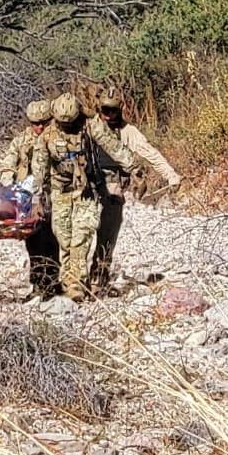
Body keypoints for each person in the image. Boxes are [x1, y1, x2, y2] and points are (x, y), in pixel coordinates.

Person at [30, 93, 137, 301]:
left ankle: (76, 284)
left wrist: (133, 167)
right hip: (61, 191)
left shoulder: (91, 126)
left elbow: (113, 146)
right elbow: (39, 169)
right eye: (63, 124)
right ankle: (68, 279)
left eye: (70, 123)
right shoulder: (47, 136)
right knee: (64, 238)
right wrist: (37, 199)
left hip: (86, 190)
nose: (67, 127)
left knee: (82, 234)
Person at [87, 87, 182, 294]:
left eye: (112, 110)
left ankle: (99, 278)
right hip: (85, 183)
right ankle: (72, 281)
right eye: (104, 110)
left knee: (108, 231)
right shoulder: (89, 126)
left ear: (120, 109)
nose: (108, 115)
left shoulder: (128, 132)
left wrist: (170, 174)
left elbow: (150, 153)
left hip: (112, 184)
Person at [0, 99, 61, 298]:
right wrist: (7, 180)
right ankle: (38, 283)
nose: (40, 127)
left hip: (53, 195)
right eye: (35, 123)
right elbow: (8, 163)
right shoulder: (21, 141)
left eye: (44, 123)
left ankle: (53, 282)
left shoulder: (58, 138)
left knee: (54, 240)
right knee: (33, 242)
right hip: (28, 198)